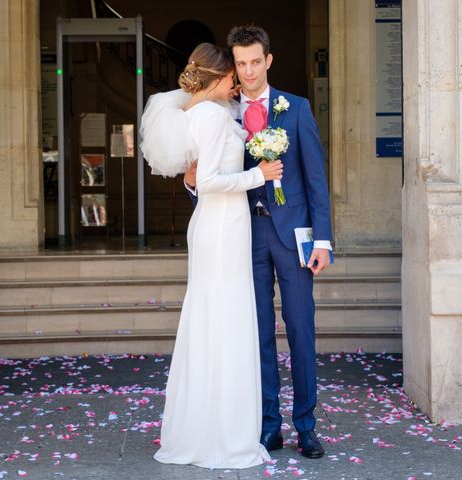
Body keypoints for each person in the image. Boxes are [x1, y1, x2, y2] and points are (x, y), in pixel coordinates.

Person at [185, 25, 333, 459]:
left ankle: (306, 425)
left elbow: (315, 180)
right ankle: (269, 426)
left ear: (268, 60)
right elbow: (208, 175)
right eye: (241, 64)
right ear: (234, 65)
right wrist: (192, 184)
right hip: (242, 236)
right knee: (258, 335)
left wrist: (322, 239)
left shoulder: (297, 108)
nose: (248, 72)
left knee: (301, 331)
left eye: (255, 62)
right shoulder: (223, 112)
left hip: (293, 237)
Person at [141, 42, 283, 469]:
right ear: (220, 77)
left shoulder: (204, 114)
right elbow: (207, 181)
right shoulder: (212, 117)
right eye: (233, 76)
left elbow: (199, 173)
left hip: (219, 226)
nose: (238, 82)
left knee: (214, 320)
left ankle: (207, 425)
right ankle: (223, 433)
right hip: (222, 226)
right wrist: (260, 173)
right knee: (225, 321)